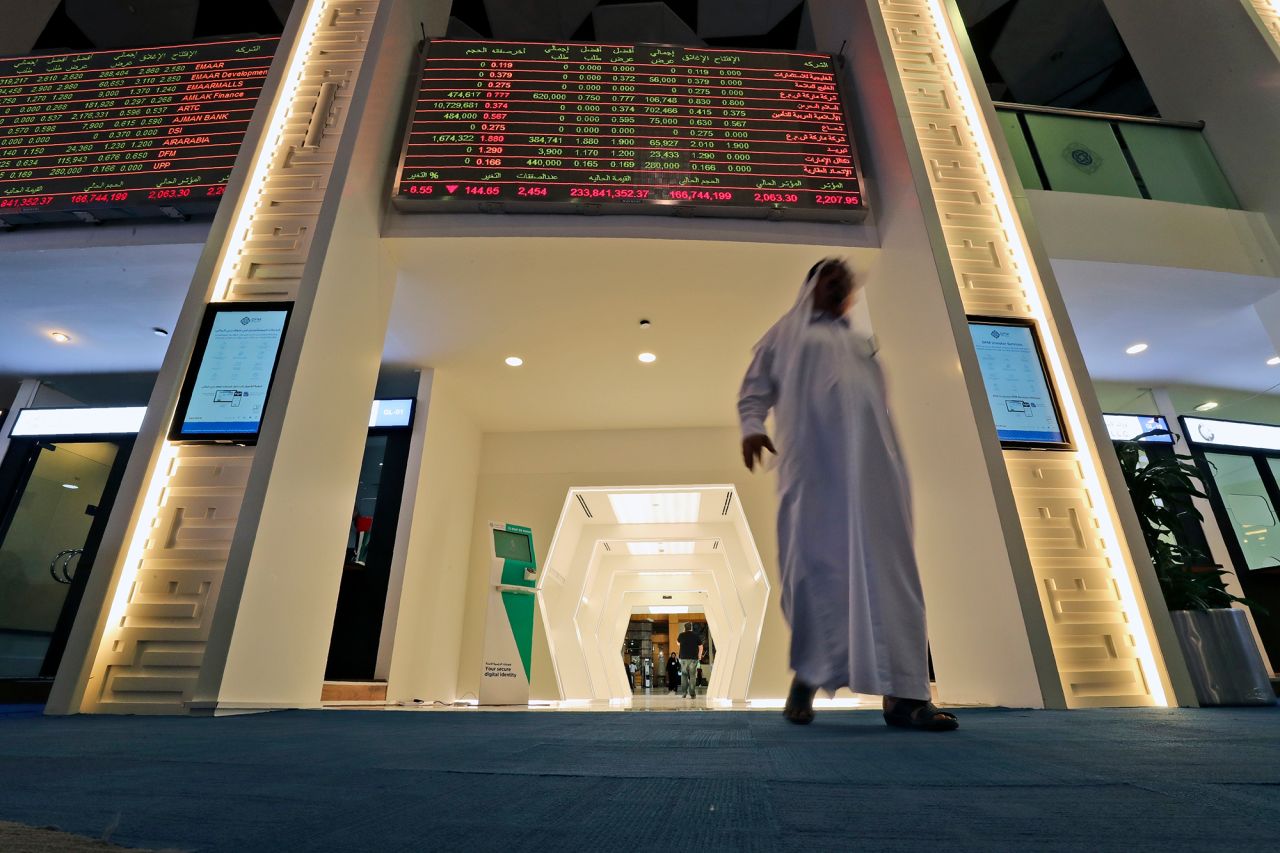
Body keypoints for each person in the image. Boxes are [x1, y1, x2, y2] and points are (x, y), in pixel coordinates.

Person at [737, 258, 958, 731]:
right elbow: (754, 390)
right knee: (816, 573)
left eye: (846, 282)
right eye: (829, 279)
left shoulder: (859, 344)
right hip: (814, 475)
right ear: (811, 285)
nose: (840, 288)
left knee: (893, 576)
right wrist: (752, 427)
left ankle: (906, 697)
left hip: (875, 478)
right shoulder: (786, 332)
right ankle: (808, 676)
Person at [675, 623, 703, 699]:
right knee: (692, 676)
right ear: (691, 628)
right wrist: (699, 656)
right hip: (693, 659)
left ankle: (684, 693)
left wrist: (684, 633)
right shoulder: (696, 635)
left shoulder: (681, 635)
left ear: (684, 628)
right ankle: (692, 694)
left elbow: (678, 643)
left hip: (683, 658)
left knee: (684, 676)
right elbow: (700, 646)